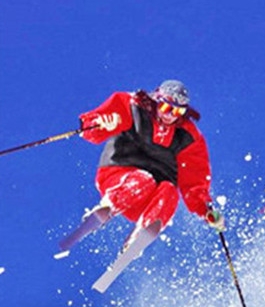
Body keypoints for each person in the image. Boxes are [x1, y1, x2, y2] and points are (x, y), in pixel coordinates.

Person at [70, 79, 225, 249]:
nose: (170, 115)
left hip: (147, 202)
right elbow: (92, 126)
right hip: (118, 174)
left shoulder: (188, 137)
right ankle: (107, 208)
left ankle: (140, 236)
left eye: (177, 111)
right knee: (144, 179)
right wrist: (99, 124)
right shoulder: (133, 106)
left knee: (170, 192)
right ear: (157, 100)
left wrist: (205, 211)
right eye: (166, 108)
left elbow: (194, 180)